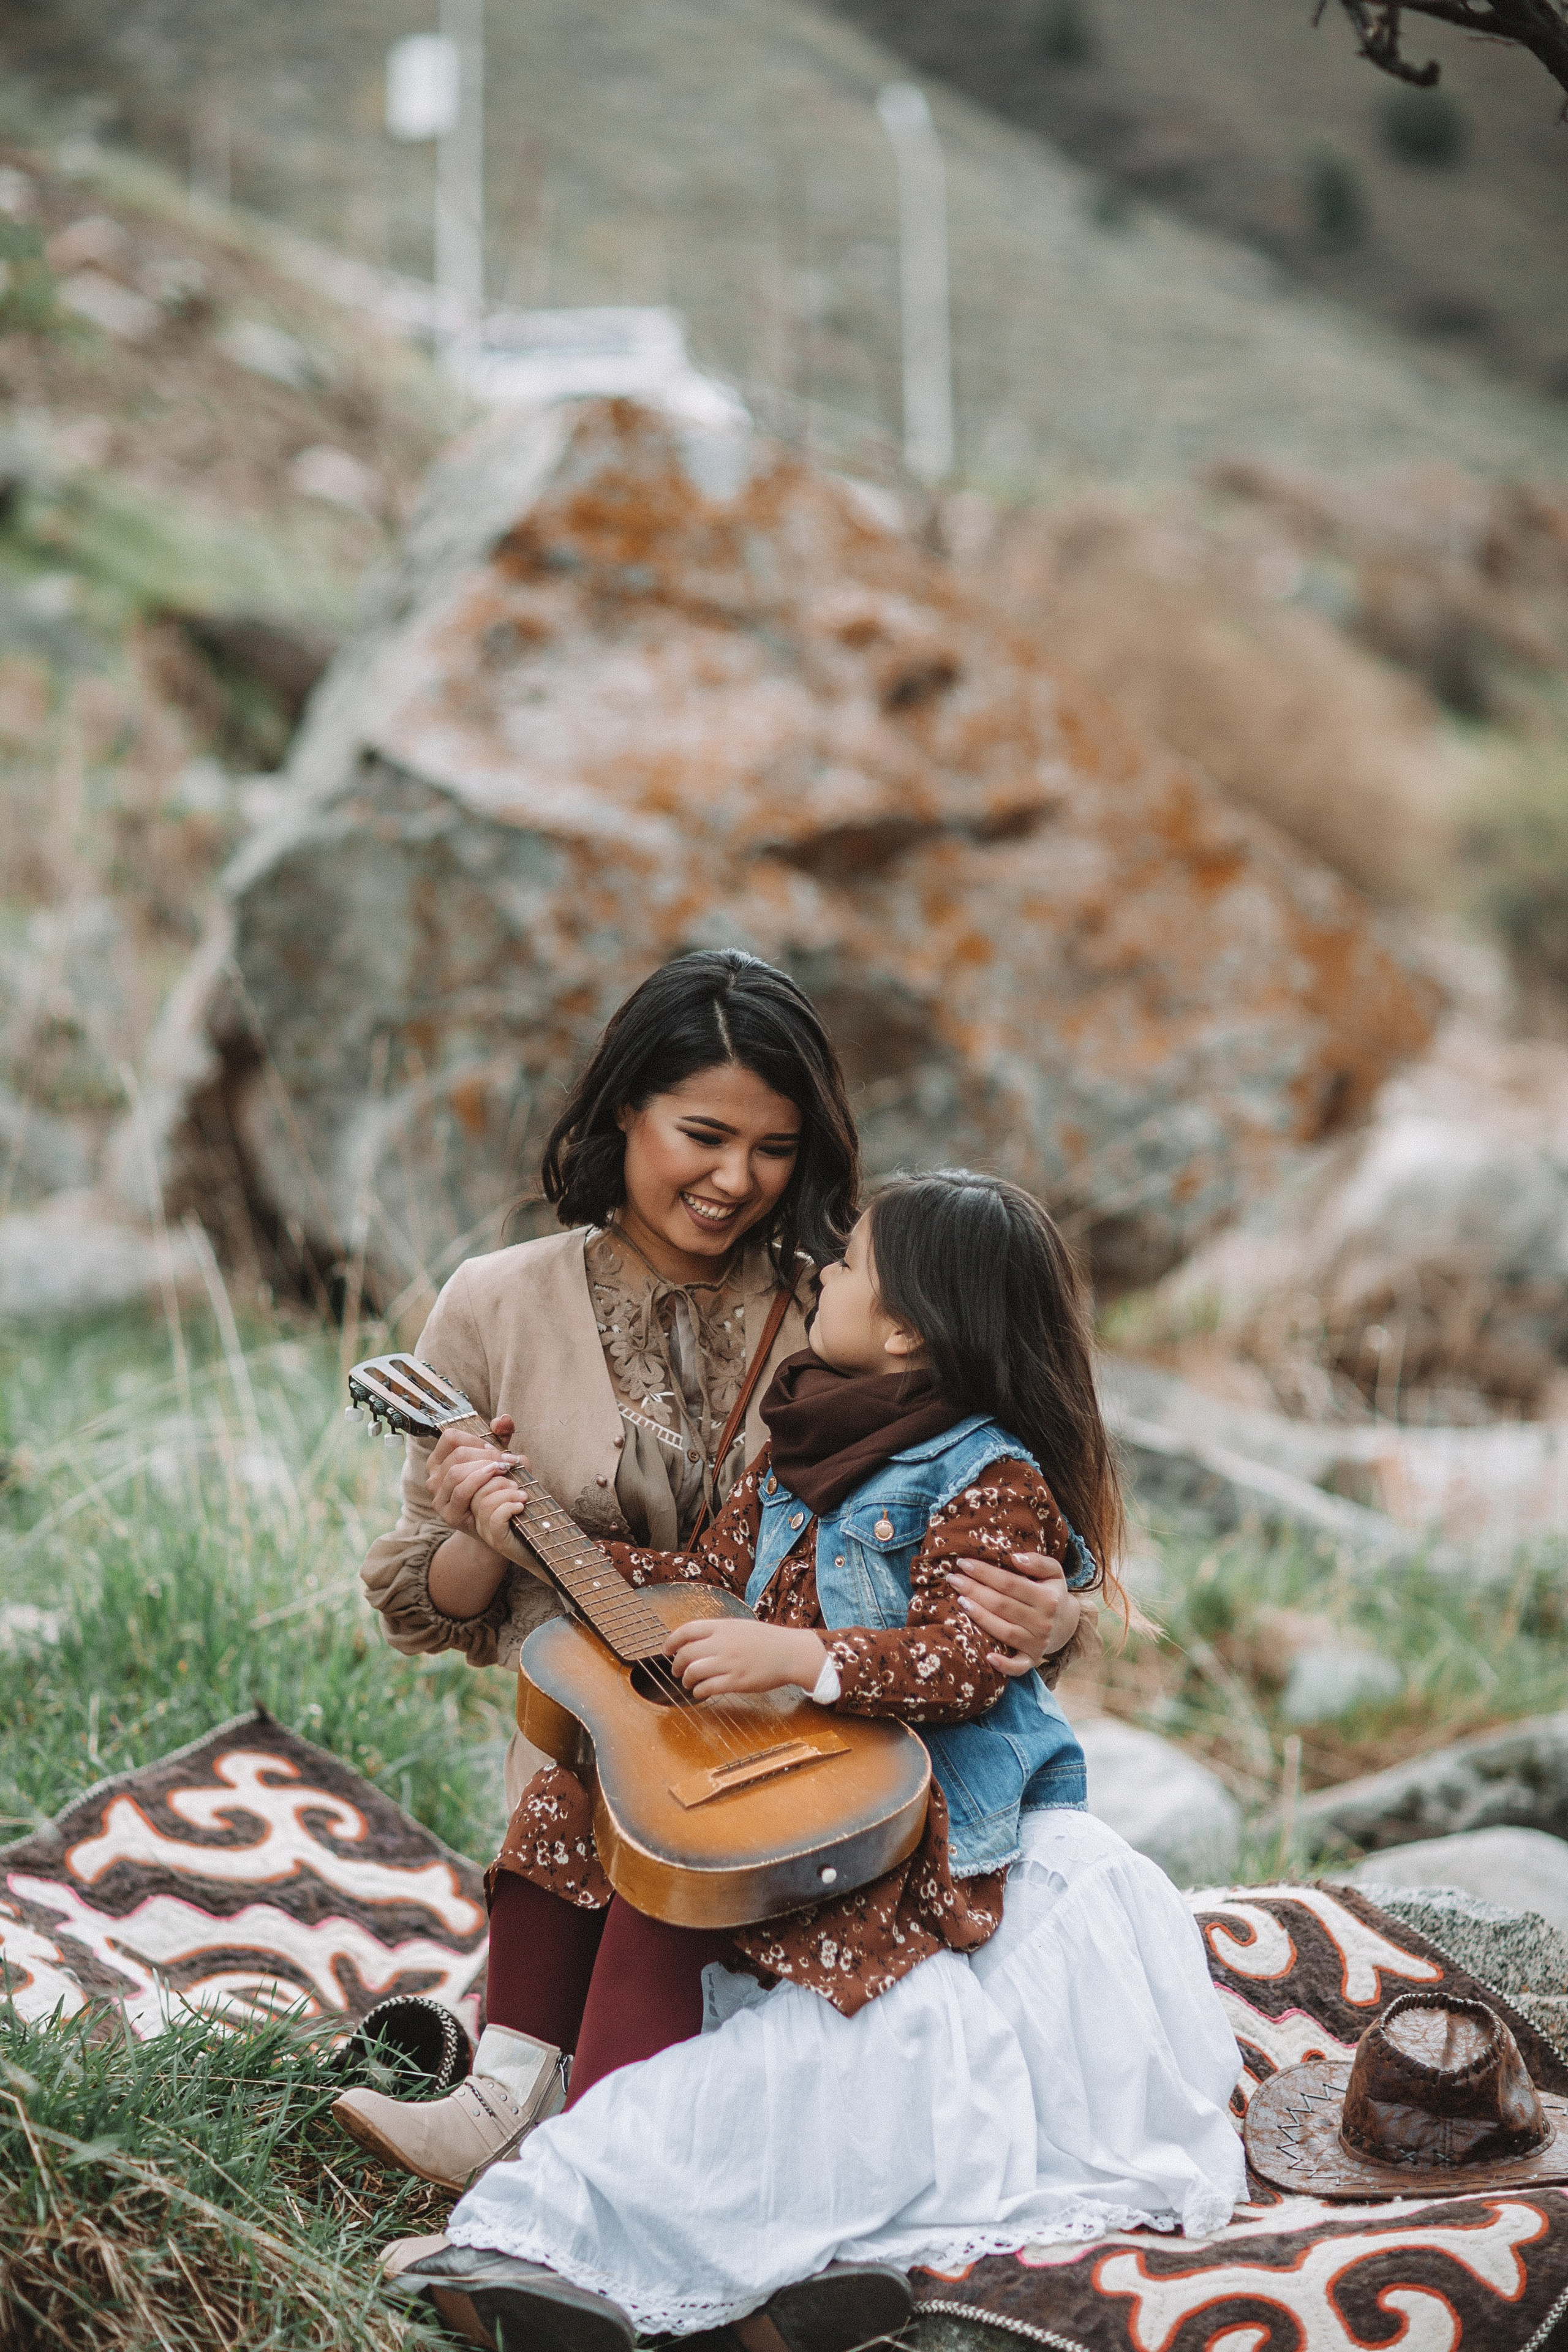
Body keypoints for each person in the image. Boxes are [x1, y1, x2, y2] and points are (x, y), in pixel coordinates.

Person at [379, 1169, 1246, 2352]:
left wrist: (799, 1656)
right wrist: (527, 1521)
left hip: (910, 1799)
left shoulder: (986, 1476)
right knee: (582, 1810)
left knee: (680, 1895)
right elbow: (706, 1583)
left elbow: (963, 1664)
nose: (820, 1275)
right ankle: (517, 2097)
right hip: (790, 1763)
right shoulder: (804, 1439)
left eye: (845, 1269)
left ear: (902, 1330)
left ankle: (611, 2192)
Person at [346, 953, 1081, 2190]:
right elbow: (420, 1603)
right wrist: (486, 1525)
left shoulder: (845, 1308)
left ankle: (614, 2188)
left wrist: (1048, 1612)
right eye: (701, 1133)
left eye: (776, 1148)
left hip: (827, 1744)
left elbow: (990, 1497)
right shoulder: (496, 1302)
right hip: (598, 1749)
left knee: (736, 2076)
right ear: (622, 1108)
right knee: (593, 1879)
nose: (736, 1180)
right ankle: (519, 2121)